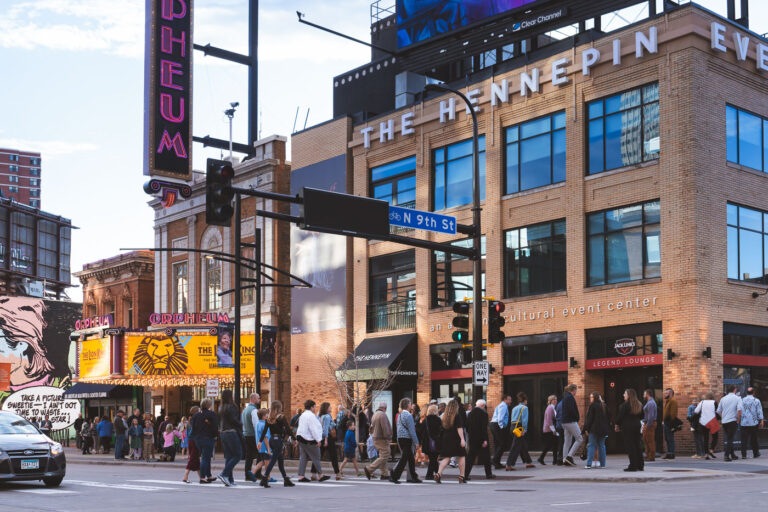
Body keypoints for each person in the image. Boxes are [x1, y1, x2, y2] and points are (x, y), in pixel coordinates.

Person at [258, 400, 295, 488]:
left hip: (272, 440)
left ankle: (286, 479)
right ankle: (265, 478)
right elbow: (288, 429)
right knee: (273, 460)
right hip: (278, 440)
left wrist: (260, 441)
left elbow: (264, 432)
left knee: (280, 460)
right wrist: (294, 438)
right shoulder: (281, 417)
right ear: (279, 407)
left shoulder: (269, 419)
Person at [296, 399, 330, 483]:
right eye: (314, 406)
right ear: (311, 407)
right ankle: (320, 475)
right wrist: (318, 440)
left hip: (301, 437)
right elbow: (313, 429)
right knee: (316, 456)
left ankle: (301, 476)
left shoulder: (303, 415)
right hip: (309, 439)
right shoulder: (311, 416)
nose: (315, 408)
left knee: (303, 457)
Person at [434, 399, 467, 484]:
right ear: (456, 407)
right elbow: (459, 428)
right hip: (456, 438)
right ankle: (461, 476)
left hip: (446, 438)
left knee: (446, 457)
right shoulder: (457, 416)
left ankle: (438, 473)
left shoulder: (444, 416)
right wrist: (462, 439)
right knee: (462, 456)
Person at [390, 398, 421, 484]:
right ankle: (394, 475)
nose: (411, 405)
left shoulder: (400, 415)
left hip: (400, 438)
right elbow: (412, 430)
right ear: (408, 405)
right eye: (410, 404)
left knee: (410, 459)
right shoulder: (408, 416)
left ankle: (414, 477)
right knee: (404, 459)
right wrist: (416, 442)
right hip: (407, 438)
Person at [217, 388, 242, 486]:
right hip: (231, 432)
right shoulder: (231, 407)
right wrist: (241, 424)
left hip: (223, 432)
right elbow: (234, 420)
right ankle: (224, 474)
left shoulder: (220, 407)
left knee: (229, 456)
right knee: (238, 455)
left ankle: (229, 479)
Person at [615, 388, 644, 472]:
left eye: (625, 394)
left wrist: (616, 424)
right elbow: (642, 416)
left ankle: (633, 466)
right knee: (637, 445)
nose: (623, 395)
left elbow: (620, 417)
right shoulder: (639, 404)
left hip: (627, 427)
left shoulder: (624, 405)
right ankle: (640, 465)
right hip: (637, 425)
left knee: (630, 446)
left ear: (629, 395)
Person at [465, 399, 494, 480]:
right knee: (486, 457)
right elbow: (483, 428)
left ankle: (465, 475)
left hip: (472, 438)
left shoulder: (470, 414)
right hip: (481, 438)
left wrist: (470, 434)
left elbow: (466, 426)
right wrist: (484, 439)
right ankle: (488, 474)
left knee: (470, 457)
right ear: (483, 405)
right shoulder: (484, 414)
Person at [363, 402, 392, 481]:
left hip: (375, 437)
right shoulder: (382, 415)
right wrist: (389, 437)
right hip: (381, 438)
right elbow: (385, 428)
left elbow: (371, 427)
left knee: (382, 455)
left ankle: (384, 474)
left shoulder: (375, 414)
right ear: (385, 408)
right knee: (385, 454)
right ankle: (369, 469)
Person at [192, 397, 219, 483]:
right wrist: (215, 436)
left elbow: (193, 428)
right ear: (209, 405)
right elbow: (215, 426)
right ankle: (203, 477)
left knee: (206, 457)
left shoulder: (196, 415)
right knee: (205, 458)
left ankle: (209, 475)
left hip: (198, 439)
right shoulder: (211, 414)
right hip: (208, 438)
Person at [505, 392, 534, 470]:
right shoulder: (525, 408)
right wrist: (524, 430)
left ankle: (528, 461)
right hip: (519, 427)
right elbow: (525, 420)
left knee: (522, 445)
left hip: (513, 427)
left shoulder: (514, 408)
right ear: (525, 400)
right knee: (515, 446)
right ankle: (509, 464)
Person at [583, 392, 610, 469]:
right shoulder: (604, 405)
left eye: (591, 397)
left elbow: (590, 419)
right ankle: (603, 464)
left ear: (595, 398)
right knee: (602, 446)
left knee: (591, 445)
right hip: (603, 429)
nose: (590, 399)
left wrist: (586, 428)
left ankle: (589, 464)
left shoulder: (593, 405)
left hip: (593, 429)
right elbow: (609, 417)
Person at [717, 384, 743, 461]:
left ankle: (733, 455)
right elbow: (739, 410)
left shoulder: (723, 399)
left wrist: (723, 417)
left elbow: (718, 411)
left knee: (729, 438)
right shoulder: (738, 398)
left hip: (724, 421)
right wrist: (738, 419)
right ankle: (726, 456)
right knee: (730, 439)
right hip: (732, 421)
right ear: (734, 390)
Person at [318, 402, 341, 480]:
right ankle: (337, 474)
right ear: (326, 408)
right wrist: (326, 440)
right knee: (333, 456)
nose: (331, 408)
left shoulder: (318, 415)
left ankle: (313, 474)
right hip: (328, 438)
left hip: (320, 437)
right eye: (329, 407)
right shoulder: (327, 416)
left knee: (318, 456)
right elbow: (326, 429)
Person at [241, 392, 261, 482]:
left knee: (249, 456)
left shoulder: (245, 410)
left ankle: (247, 474)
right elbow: (256, 425)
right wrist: (260, 437)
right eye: (258, 398)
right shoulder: (254, 410)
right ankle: (257, 473)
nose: (259, 400)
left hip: (246, 434)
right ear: (253, 399)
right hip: (253, 435)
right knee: (260, 454)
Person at [741, 387, 764, 459]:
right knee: (754, 439)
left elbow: (739, 410)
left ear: (746, 393)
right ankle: (755, 453)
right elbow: (759, 411)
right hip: (754, 422)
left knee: (744, 439)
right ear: (754, 393)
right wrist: (761, 420)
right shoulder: (756, 401)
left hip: (744, 422)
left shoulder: (741, 400)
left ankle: (744, 454)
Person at [490, 394, 512, 469]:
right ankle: (494, 460)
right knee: (502, 444)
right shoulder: (503, 406)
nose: (510, 401)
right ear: (505, 399)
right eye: (509, 399)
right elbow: (500, 418)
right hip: (497, 425)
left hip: (494, 424)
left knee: (497, 444)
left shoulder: (502, 405)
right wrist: (502, 427)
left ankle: (497, 463)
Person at [695, 392, 719, 459]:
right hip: (712, 421)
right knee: (715, 437)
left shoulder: (702, 402)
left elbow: (696, 411)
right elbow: (717, 411)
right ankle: (711, 450)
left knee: (706, 438)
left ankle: (706, 454)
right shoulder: (714, 402)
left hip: (703, 422)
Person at [421, 404, 442, 480]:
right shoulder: (438, 420)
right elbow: (440, 431)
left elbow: (420, 431)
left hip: (427, 443)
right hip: (436, 443)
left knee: (432, 459)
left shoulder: (425, 420)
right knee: (434, 459)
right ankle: (436, 474)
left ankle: (432, 474)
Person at [254, 408, 275, 482]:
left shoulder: (258, 423)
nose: (267, 415)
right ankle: (268, 477)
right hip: (265, 446)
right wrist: (269, 448)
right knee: (267, 462)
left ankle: (252, 472)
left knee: (263, 461)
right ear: (263, 416)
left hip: (260, 446)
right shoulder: (263, 425)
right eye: (266, 414)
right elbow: (265, 437)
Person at [182, 406, 201, 484]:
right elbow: (192, 431)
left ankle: (201, 477)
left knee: (196, 460)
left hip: (190, 440)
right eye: (199, 410)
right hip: (194, 440)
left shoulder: (190, 420)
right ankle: (185, 477)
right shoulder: (194, 420)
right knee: (193, 458)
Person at [539, 395, 558, 465]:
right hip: (549, 429)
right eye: (554, 399)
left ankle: (554, 460)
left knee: (553, 445)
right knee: (550, 445)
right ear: (550, 401)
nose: (555, 401)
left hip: (551, 429)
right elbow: (549, 420)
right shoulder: (550, 408)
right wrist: (553, 430)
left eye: (556, 399)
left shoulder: (553, 408)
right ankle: (541, 458)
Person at [662, 388, 679, 459]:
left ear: (670, 394)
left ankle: (671, 454)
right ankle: (669, 453)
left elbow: (673, 414)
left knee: (670, 438)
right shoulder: (668, 401)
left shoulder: (673, 401)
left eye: (666, 393)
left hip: (669, 423)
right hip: (666, 423)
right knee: (667, 439)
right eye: (664, 393)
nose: (664, 395)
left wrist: (670, 424)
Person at [641, 389, 657, 462]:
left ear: (647, 394)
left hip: (649, 423)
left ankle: (651, 456)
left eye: (644, 394)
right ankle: (648, 455)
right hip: (647, 422)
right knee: (646, 439)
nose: (643, 395)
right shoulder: (649, 402)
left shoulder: (651, 403)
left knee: (650, 440)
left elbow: (651, 416)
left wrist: (647, 425)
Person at [555, 398, 565, 465]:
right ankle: (562, 458)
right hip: (563, 425)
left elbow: (557, 415)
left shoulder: (559, 404)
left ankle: (559, 459)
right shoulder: (564, 404)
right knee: (564, 442)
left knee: (561, 442)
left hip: (559, 425)